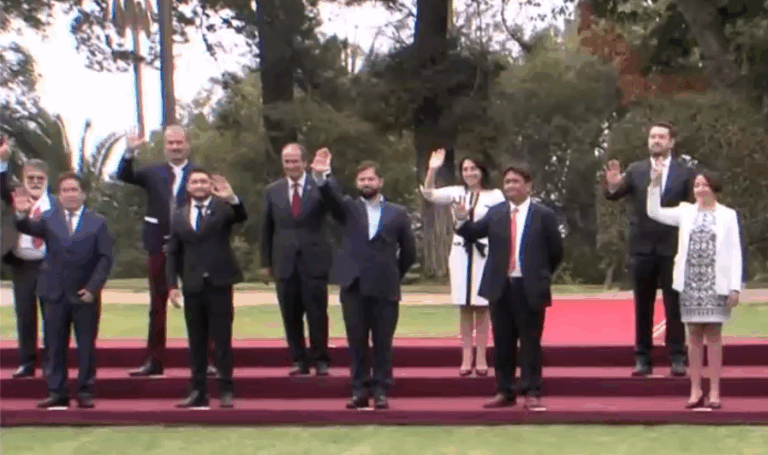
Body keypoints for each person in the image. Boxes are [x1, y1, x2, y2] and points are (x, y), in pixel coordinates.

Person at [454, 161, 563, 410]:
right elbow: (472, 232)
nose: (510, 186)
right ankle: (505, 391)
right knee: (503, 343)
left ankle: (532, 391)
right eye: (507, 182)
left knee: (530, 343)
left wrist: (540, 274)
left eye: (515, 181)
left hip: (530, 287)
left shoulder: (544, 215)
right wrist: (461, 219)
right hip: (500, 288)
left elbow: (556, 252)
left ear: (528, 186)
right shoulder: (496, 213)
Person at [314, 152, 416, 409]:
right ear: (357, 183)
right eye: (362, 180)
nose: (367, 183)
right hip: (354, 286)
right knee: (356, 341)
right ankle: (359, 390)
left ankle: (381, 390)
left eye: (371, 179)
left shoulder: (398, 213)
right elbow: (331, 198)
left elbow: (409, 252)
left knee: (383, 343)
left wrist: (393, 273)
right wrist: (323, 176)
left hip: (385, 287)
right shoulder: (348, 208)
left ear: (380, 182)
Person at [116, 126, 215, 377]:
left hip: (192, 247)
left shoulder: (199, 174)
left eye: (179, 143)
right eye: (171, 143)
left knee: (201, 304)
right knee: (157, 306)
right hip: (158, 244)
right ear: (165, 146)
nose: (175, 147)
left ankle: (207, 360)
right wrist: (129, 152)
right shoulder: (152, 172)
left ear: (188, 145)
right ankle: (154, 361)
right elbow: (123, 175)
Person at [12, 172, 114, 408]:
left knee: (86, 347)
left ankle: (85, 391)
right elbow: (26, 226)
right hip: (54, 294)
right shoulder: (49, 218)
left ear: (83, 194)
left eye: (74, 190)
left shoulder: (98, 222)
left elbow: (105, 259)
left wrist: (92, 288)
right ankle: (57, 392)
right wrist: (21, 213)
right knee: (54, 346)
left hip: (84, 295)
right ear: (59, 196)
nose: (70, 194)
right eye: (65, 190)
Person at [647, 166, 746, 409]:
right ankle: (695, 389)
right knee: (693, 336)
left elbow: (735, 252)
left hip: (716, 283)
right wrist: (655, 184)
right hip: (691, 282)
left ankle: (714, 391)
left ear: (715, 189)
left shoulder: (728, 215)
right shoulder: (686, 212)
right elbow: (654, 212)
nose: (700, 189)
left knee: (713, 335)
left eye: (705, 185)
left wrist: (735, 287)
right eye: (697, 186)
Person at [603, 121, 695, 377]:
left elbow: (692, 207)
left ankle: (677, 356)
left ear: (671, 142)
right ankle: (642, 357)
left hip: (673, 247)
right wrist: (612, 184)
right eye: (653, 136)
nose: (656, 140)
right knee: (643, 305)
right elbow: (614, 194)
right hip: (641, 247)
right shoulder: (636, 170)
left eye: (661, 137)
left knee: (674, 305)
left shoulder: (685, 172)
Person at [166, 169, 247, 409]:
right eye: (195, 182)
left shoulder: (223, 209)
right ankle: (198, 392)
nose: (199, 185)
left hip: (219, 283)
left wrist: (232, 198)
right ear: (188, 187)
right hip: (192, 285)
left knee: (222, 340)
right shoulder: (178, 215)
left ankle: (226, 390)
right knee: (196, 342)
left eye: (204, 181)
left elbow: (240, 216)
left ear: (210, 186)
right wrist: (172, 285)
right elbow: (173, 252)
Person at [420, 149, 505, 376]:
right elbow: (429, 194)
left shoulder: (495, 195)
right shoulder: (456, 192)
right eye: (465, 169)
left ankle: (482, 356)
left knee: (482, 306)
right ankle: (466, 356)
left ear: (482, 171)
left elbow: (499, 222)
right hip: (460, 252)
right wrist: (432, 169)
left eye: (473, 169)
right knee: (465, 306)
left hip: (484, 251)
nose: (469, 173)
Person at [260, 143, 334, 376]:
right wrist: (265, 262)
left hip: (314, 261)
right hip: (284, 262)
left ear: (304, 162)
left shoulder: (319, 186)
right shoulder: (272, 191)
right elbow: (266, 228)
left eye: (295, 161)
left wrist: (324, 176)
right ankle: (298, 359)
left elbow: (336, 204)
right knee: (290, 314)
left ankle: (320, 359)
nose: (291, 165)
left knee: (317, 313)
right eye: (287, 161)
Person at [1, 138, 55, 378]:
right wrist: (2, 161)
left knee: (52, 316)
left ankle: (51, 362)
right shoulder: (15, 199)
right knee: (24, 315)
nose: (35, 182)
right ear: (23, 180)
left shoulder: (57, 204)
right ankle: (27, 362)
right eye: (30, 178)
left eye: (40, 178)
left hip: (50, 265)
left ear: (47, 180)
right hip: (22, 265)